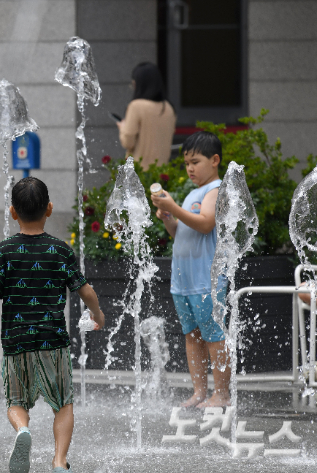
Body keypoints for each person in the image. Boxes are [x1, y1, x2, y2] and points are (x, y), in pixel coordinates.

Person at [0, 177, 105, 473]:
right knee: (63, 403)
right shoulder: (60, 250)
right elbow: (85, 290)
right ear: (50, 209)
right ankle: (58, 461)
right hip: (53, 341)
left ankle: (22, 431)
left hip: (16, 343)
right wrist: (96, 314)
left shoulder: (5, 250)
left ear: (13, 212)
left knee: (17, 401)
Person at [151, 131, 230, 409]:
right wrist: (169, 216)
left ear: (215, 160)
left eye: (196, 162)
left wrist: (174, 206)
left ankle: (221, 394)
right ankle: (199, 392)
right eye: (186, 163)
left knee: (214, 337)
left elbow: (206, 223)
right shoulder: (193, 194)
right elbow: (179, 233)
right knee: (192, 335)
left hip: (205, 280)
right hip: (184, 281)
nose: (190, 168)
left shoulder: (216, 189)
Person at [117, 62, 176, 169]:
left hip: (139, 173)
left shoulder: (136, 106)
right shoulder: (168, 108)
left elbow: (128, 142)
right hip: (162, 172)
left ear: (139, 84)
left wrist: (122, 127)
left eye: (133, 84)